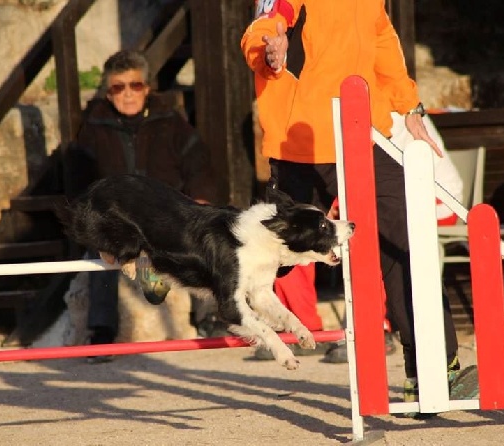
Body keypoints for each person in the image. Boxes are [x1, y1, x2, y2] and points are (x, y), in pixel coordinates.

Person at [241, 0, 477, 408]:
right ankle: (179, 261)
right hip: (301, 144)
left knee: (403, 245)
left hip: (364, 135)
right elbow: (264, 25)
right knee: (271, 249)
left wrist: (409, 106)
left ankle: (434, 370)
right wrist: (269, 48)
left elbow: (383, 44)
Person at [64, 49, 218, 362]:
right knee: (100, 252)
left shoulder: (171, 122)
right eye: (118, 88)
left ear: (146, 88)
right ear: (108, 93)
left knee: (207, 237)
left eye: (135, 86)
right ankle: (102, 333)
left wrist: (200, 200)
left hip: (168, 216)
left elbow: (198, 163)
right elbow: (79, 179)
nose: (128, 94)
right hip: (120, 222)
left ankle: (210, 318)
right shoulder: (93, 128)